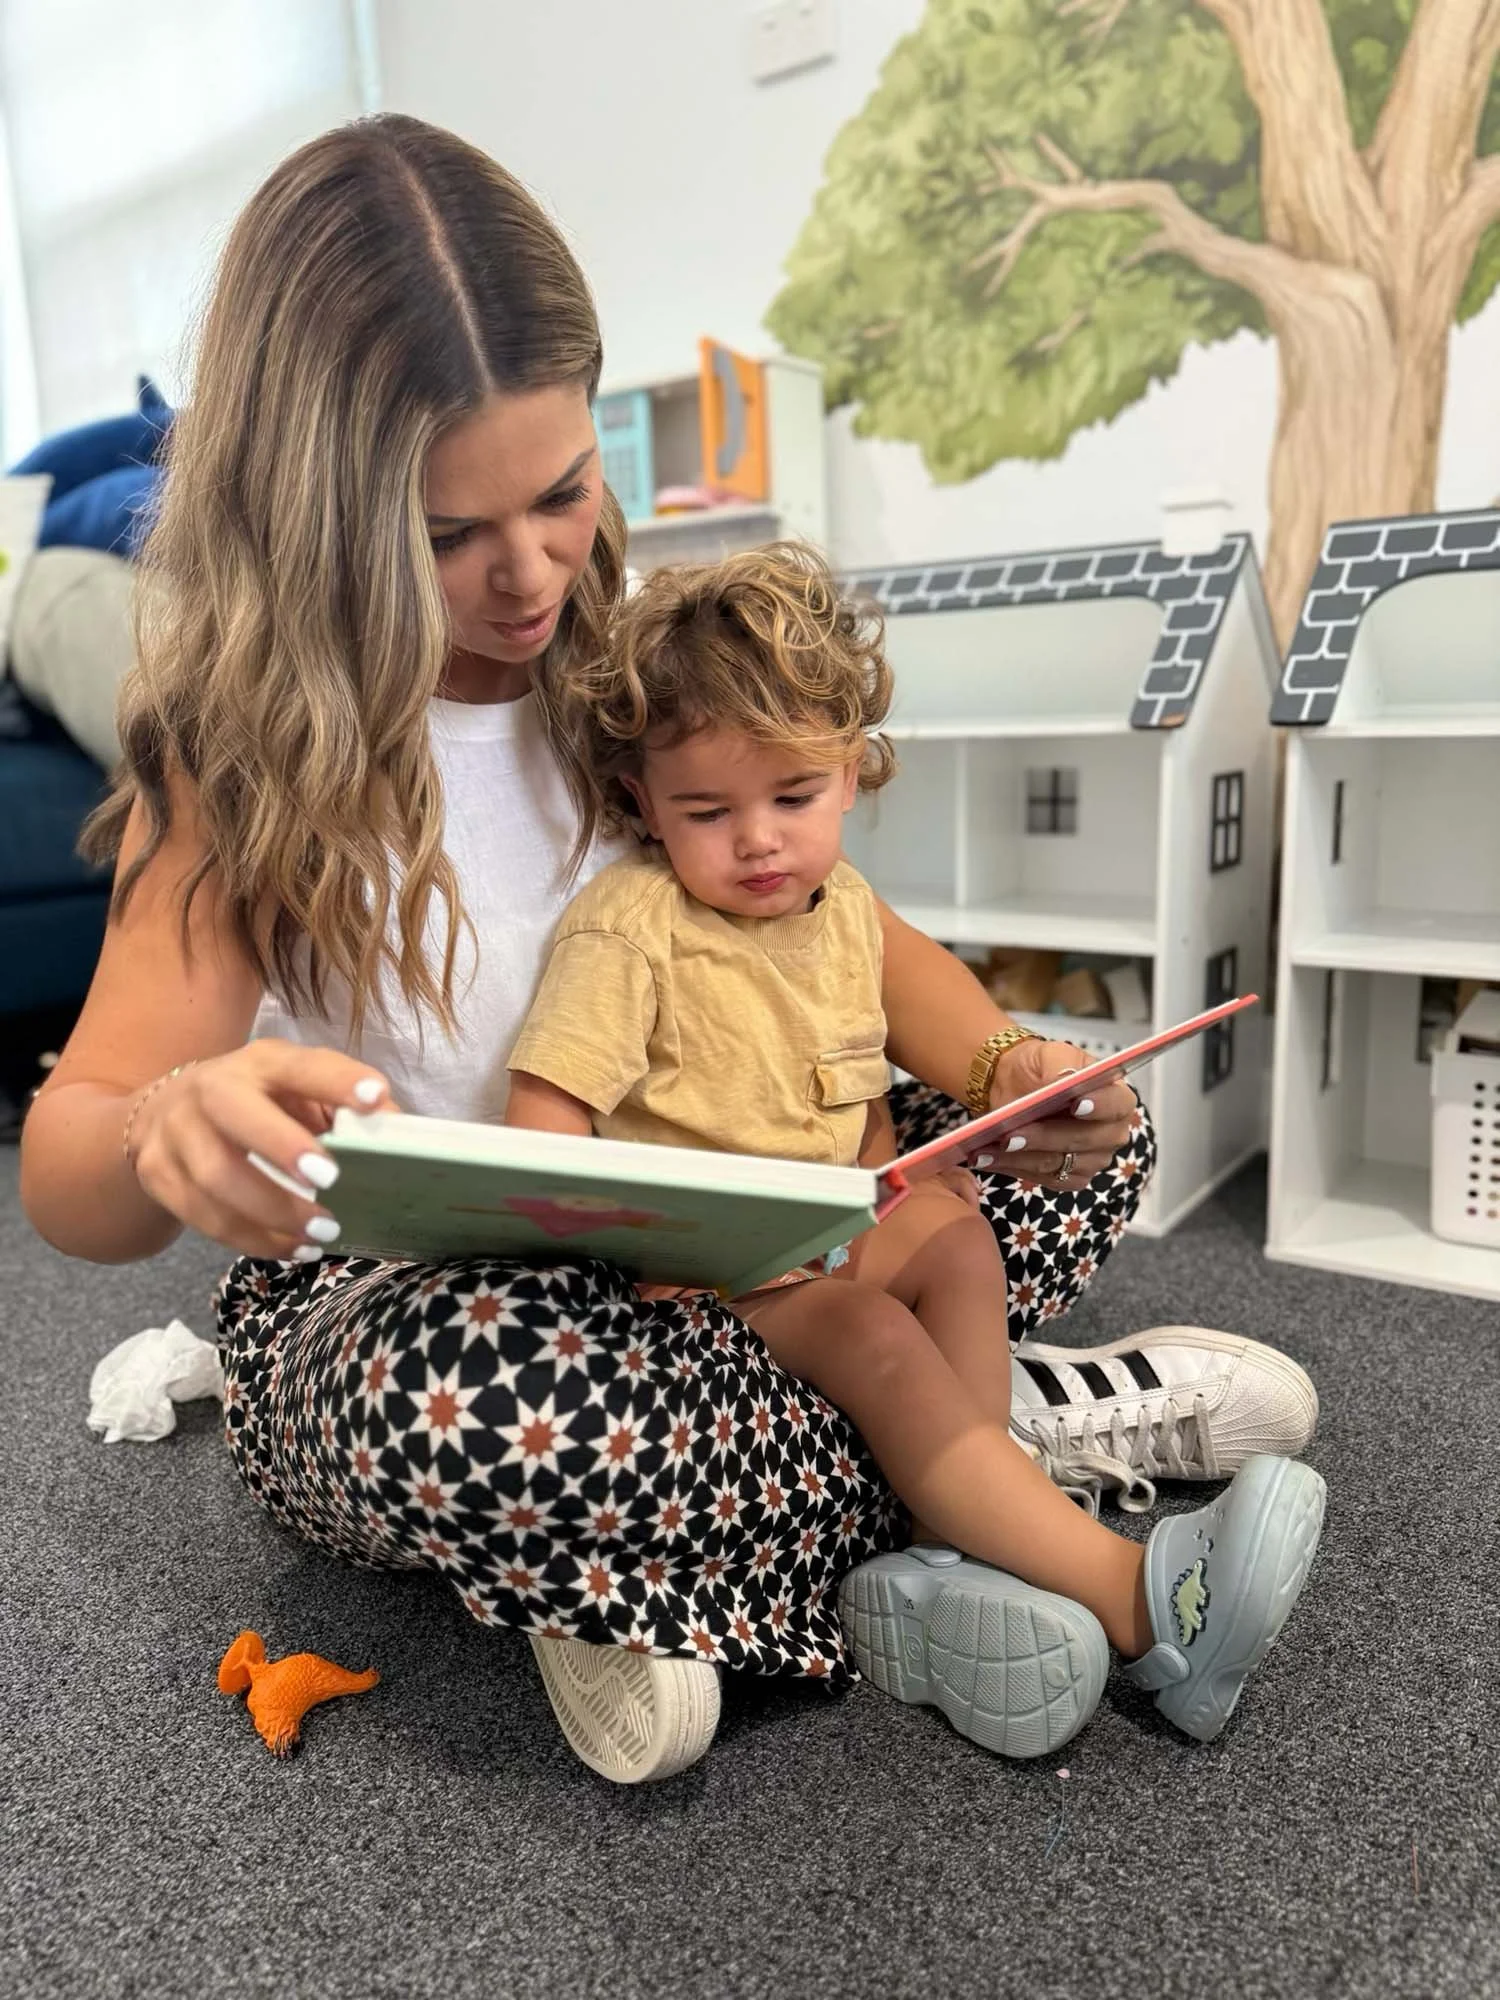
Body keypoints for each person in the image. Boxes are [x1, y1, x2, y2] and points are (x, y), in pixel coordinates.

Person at [18, 113, 1318, 1786]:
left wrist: (1017, 1077)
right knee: (471, 1402)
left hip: (734, 1239)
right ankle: (977, 1453)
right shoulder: (246, 756)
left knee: (1072, 1149)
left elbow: (854, 942)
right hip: (444, 1317)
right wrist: (161, 1125)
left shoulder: (627, 670)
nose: (529, 572)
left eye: (562, 490)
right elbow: (70, 1164)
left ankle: (768, 1533)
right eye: (441, 537)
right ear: (310, 514)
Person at [504, 544, 1326, 1756]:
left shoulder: (836, 905)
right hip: (725, 1282)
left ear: (852, 767)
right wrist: (605, 1232)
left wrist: (1025, 1072)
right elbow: (546, 1117)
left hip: (846, 1225)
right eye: (705, 812)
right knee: (881, 1338)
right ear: (638, 799)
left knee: (954, 1226)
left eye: (794, 796)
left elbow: (939, 1000)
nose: (759, 843)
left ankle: (968, 1533)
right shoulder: (631, 926)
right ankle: (1144, 1601)